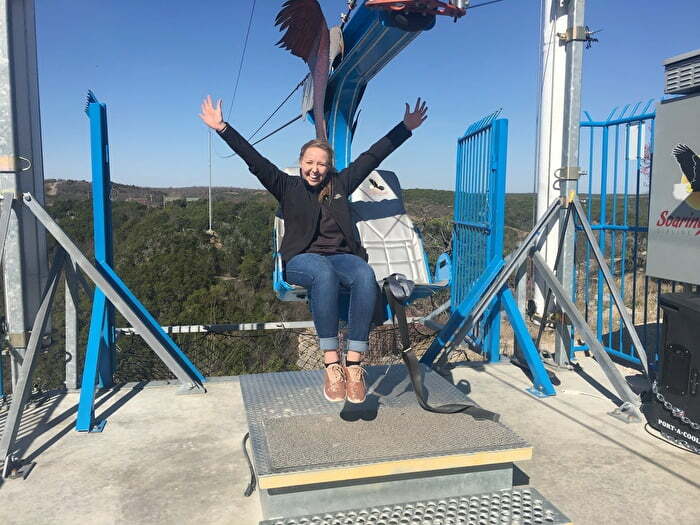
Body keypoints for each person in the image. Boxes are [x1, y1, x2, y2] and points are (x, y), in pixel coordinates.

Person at [199, 95, 428, 404]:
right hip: (302, 260)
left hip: (341, 257)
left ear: (329, 166)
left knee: (363, 273)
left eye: (321, 164)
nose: (315, 169)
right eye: (309, 163)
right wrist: (222, 128)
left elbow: (372, 157)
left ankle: (355, 364)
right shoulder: (286, 187)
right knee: (322, 272)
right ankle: (332, 362)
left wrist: (405, 127)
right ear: (301, 163)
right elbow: (253, 159)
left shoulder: (340, 184)